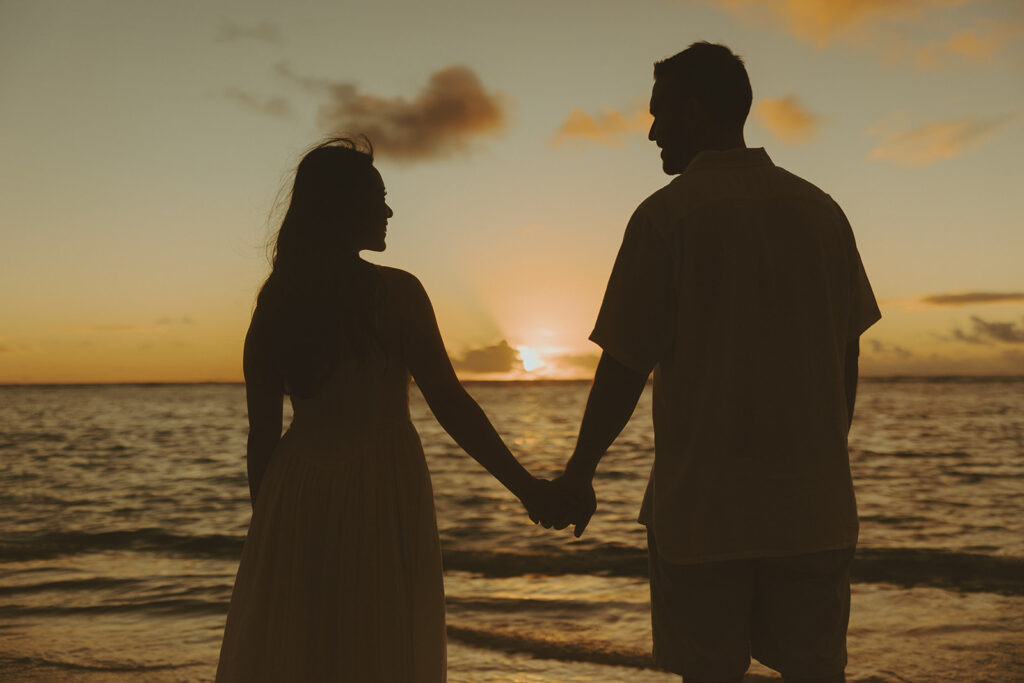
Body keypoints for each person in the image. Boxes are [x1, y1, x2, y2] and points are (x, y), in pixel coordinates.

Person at [540, 43, 881, 683]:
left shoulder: (667, 217)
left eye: (658, 113)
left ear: (694, 111)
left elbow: (622, 366)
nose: (650, 132)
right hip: (812, 510)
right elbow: (847, 358)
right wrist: (821, 456)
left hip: (705, 515)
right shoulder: (822, 213)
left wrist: (579, 473)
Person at [214, 138, 555, 682]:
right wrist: (527, 487)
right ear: (343, 209)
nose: (389, 210)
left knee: (304, 650)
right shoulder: (397, 294)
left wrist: (271, 535)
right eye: (378, 198)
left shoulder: (277, 304)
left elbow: (262, 439)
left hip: (295, 492)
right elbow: (449, 403)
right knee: (380, 651)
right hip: (380, 483)